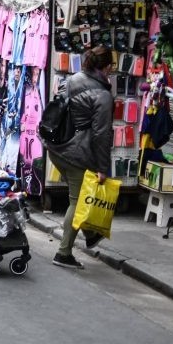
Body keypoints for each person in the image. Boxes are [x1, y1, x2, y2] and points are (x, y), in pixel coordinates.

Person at [46, 45, 113, 269]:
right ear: (107, 67)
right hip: (77, 154)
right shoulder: (102, 95)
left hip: (57, 148)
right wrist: (103, 168)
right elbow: (101, 134)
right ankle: (63, 253)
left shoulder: (72, 79)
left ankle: (90, 233)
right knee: (77, 202)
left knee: (79, 197)